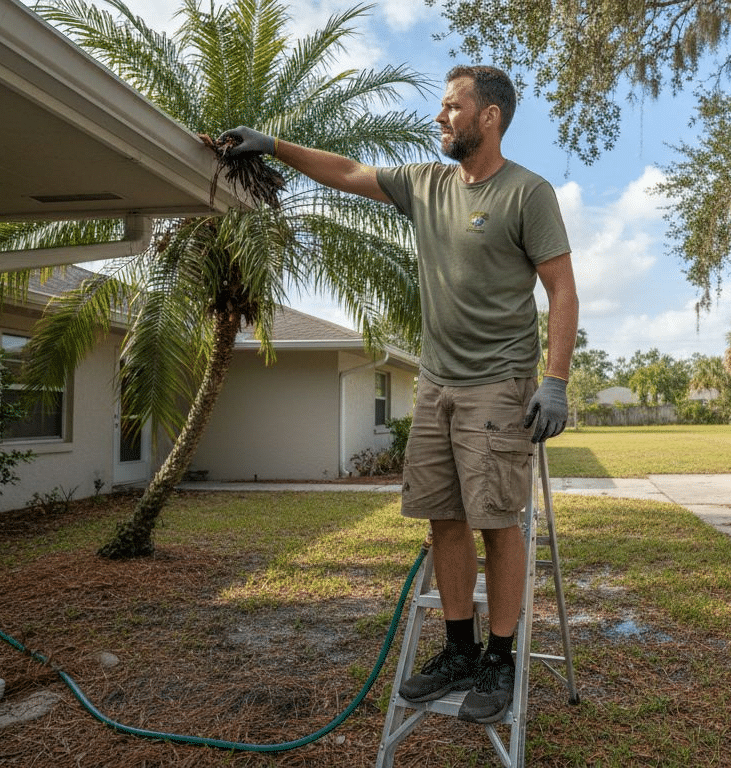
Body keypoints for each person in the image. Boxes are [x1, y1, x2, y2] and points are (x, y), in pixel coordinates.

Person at [221, 64, 578, 725]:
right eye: (443, 107)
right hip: (438, 384)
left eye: (452, 107)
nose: (440, 117)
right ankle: (459, 649)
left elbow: (562, 289)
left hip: (499, 384)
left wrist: (554, 381)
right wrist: (272, 145)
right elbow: (349, 171)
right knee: (444, 518)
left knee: (498, 524)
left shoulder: (528, 193)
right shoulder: (426, 183)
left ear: (489, 117)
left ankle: (501, 659)